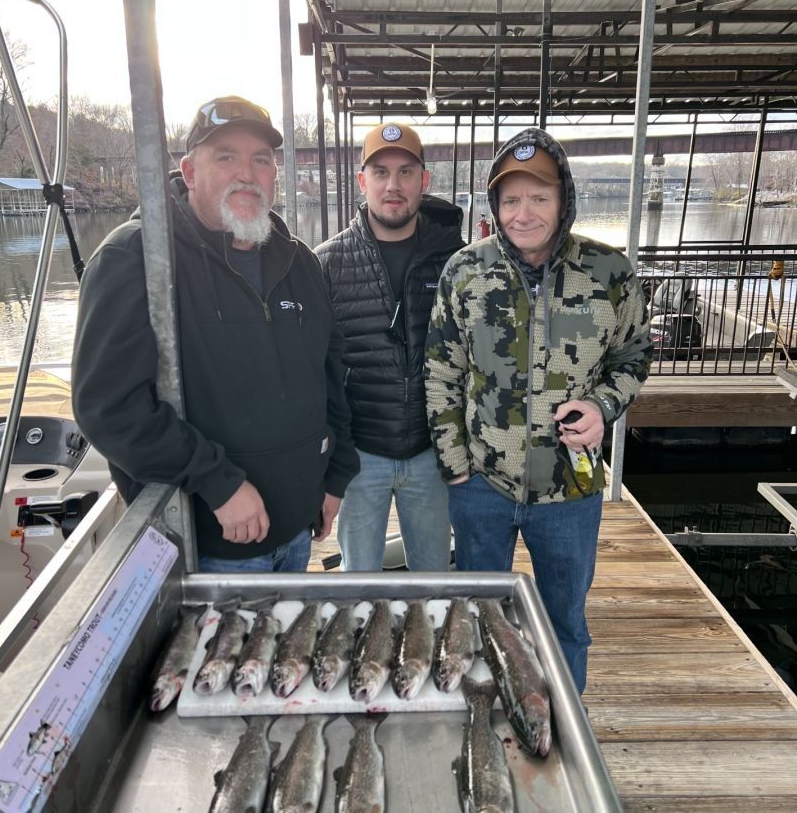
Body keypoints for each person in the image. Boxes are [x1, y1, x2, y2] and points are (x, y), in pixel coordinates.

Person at [72, 95, 359, 572]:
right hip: (207, 547)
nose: (246, 173)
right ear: (188, 171)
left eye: (261, 160)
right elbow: (108, 408)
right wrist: (218, 481)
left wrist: (336, 476)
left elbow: (332, 377)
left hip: (298, 532)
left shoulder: (301, 262)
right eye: (226, 156)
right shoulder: (133, 259)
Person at [424, 128, 651, 692]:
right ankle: (487, 718)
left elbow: (634, 355)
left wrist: (603, 406)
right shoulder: (464, 272)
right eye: (510, 200)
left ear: (564, 200)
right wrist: (456, 466)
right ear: (495, 205)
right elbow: (441, 372)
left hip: (570, 494)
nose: (523, 214)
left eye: (539, 198)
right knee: (480, 619)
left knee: (565, 624)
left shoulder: (610, 273)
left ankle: (565, 730)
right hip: (482, 487)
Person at [315, 122, 465, 571]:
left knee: (434, 581)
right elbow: (313, 369)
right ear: (362, 182)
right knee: (357, 582)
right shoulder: (324, 263)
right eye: (380, 172)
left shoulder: (458, 262)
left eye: (405, 172)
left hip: (431, 454)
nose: (393, 185)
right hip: (360, 457)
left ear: (425, 181)